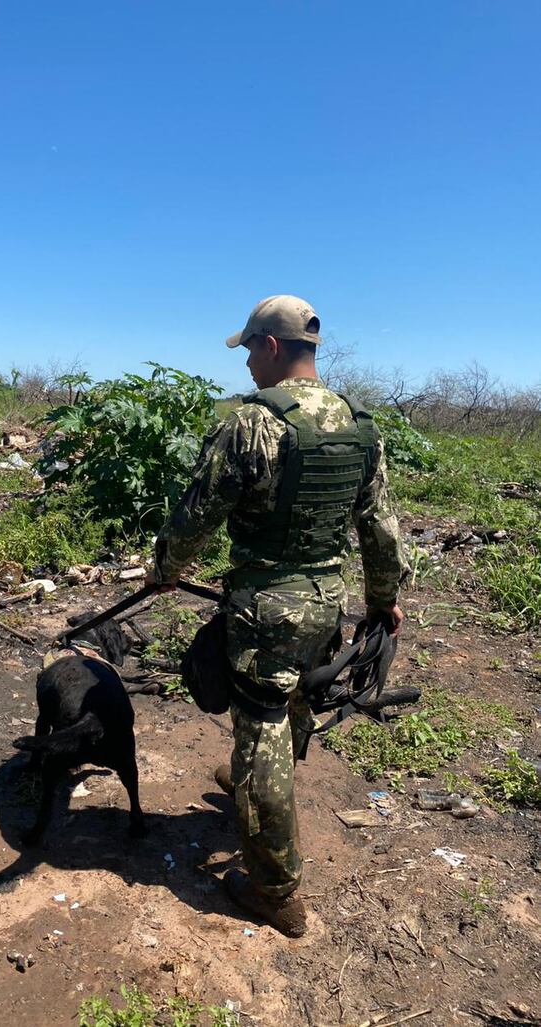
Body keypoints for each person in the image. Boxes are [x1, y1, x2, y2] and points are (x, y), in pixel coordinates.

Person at [146, 294, 408, 937]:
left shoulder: (251, 423)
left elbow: (196, 513)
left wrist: (166, 570)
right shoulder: (357, 423)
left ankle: (274, 889)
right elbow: (379, 525)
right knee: (293, 706)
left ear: (269, 347)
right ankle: (255, 783)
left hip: (266, 607)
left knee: (261, 724)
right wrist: (383, 600)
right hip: (326, 601)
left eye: (249, 354)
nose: (248, 371)